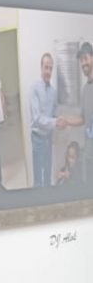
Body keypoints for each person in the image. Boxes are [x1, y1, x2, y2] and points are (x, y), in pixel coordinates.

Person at [30, 53, 66, 187]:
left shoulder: (53, 92)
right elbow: (37, 118)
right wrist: (56, 122)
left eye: (50, 68)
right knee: (38, 179)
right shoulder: (34, 88)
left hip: (48, 138)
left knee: (47, 175)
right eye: (46, 67)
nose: (48, 71)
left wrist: (61, 120)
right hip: (38, 139)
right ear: (41, 67)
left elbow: (54, 113)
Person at [63, 41, 93, 184]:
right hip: (89, 152)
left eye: (85, 58)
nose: (83, 63)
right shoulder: (85, 90)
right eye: (81, 60)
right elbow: (83, 118)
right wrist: (66, 120)